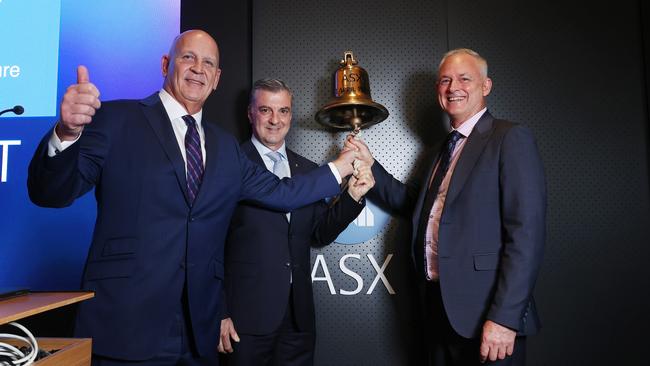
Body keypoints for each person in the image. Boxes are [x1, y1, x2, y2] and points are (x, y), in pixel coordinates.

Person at [27, 30, 359, 366]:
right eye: (189, 57)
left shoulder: (226, 147)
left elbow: (283, 193)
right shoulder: (116, 119)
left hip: (198, 333)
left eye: (208, 62)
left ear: (217, 79)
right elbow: (50, 193)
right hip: (127, 324)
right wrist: (66, 134)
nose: (198, 68)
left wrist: (339, 168)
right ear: (166, 64)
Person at [346, 48, 546, 365]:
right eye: (445, 80)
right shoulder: (440, 150)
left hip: (488, 320)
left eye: (464, 78)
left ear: (486, 85)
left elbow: (527, 234)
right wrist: (371, 165)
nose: (453, 88)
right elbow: (413, 204)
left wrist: (506, 318)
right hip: (439, 314)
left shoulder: (509, 138)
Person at [216, 78, 374, 365]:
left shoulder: (307, 170)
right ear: (250, 113)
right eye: (265, 110)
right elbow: (209, 245)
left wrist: (352, 195)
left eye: (284, 111)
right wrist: (220, 311)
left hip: (298, 319)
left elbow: (319, 234)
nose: (275, 120)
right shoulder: (230, 163)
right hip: (245, 321)